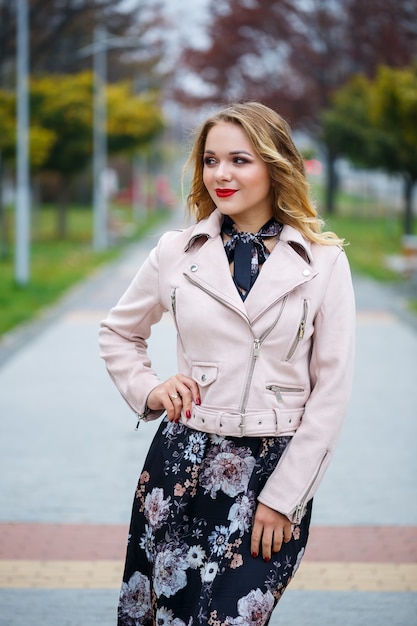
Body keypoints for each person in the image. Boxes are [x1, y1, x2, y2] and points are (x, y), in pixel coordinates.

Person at [99, 101, 355, 625]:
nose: (221, 173)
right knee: (165, 617)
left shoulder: (324, 261)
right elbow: (119, 332)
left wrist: (285, 498)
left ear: (274, 163)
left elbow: (331, 392)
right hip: (181, 465)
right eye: (210, 160)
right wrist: (149, 389)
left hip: (272, 473)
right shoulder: (176, 251)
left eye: (239, 159)